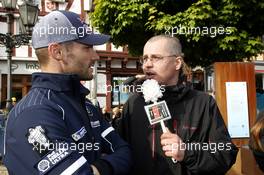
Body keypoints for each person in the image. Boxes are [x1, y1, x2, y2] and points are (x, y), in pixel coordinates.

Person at [3, 11, 131, 175]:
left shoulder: (85, 104)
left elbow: (124, 151)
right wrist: (105, 165)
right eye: (87, 47)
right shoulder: (34, 112)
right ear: (57, 52)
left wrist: (98, 168)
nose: (95, 55)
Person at [118, 35, 238, 175]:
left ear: (177, 63)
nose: (147, 64)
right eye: (145, 58)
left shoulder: (203, 103)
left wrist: (186, 152)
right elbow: (120, 151)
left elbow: (226, 154)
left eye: (156, 58)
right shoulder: (134, 104)